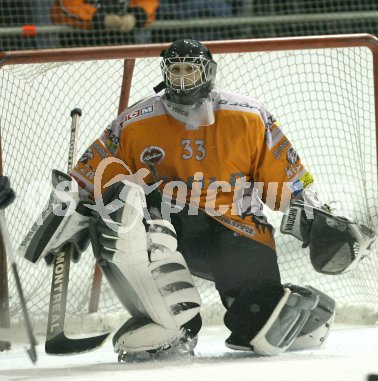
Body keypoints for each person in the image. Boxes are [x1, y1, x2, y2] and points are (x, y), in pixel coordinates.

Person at [18, 38, 375, 361]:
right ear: (164, 73)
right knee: (125, 203)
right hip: (170, 231)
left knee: (260, 331)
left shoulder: (248, 116)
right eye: (176, 69)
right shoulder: (135, 122)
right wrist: (66, 211)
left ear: (208, 72)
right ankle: (173, 323)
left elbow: (289, 182)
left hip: (238, 229)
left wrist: (315, 216)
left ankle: (305, 310)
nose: (184, 77)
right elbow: (89, 178)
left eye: (191, 69)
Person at [49, 0, 159, 46]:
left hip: (121, 44)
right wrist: (100, 18)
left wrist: (136, 16)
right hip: (79, 45)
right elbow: (64, 8)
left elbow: (148, 3)